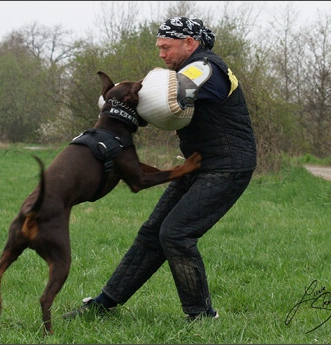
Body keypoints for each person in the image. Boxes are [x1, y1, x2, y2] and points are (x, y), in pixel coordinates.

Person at [62, 16, 257, 321]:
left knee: (176, 234)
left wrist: (120, 100)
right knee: (153, 233)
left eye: (166, 47)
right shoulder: (189, 67)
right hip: (201, 164)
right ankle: (104, 304)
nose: (161, 54)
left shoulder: (205, 67)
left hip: (228, 166)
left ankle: (202, 316)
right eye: (159, 48)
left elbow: (173, 93)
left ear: (189, 43)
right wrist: (120, 100)